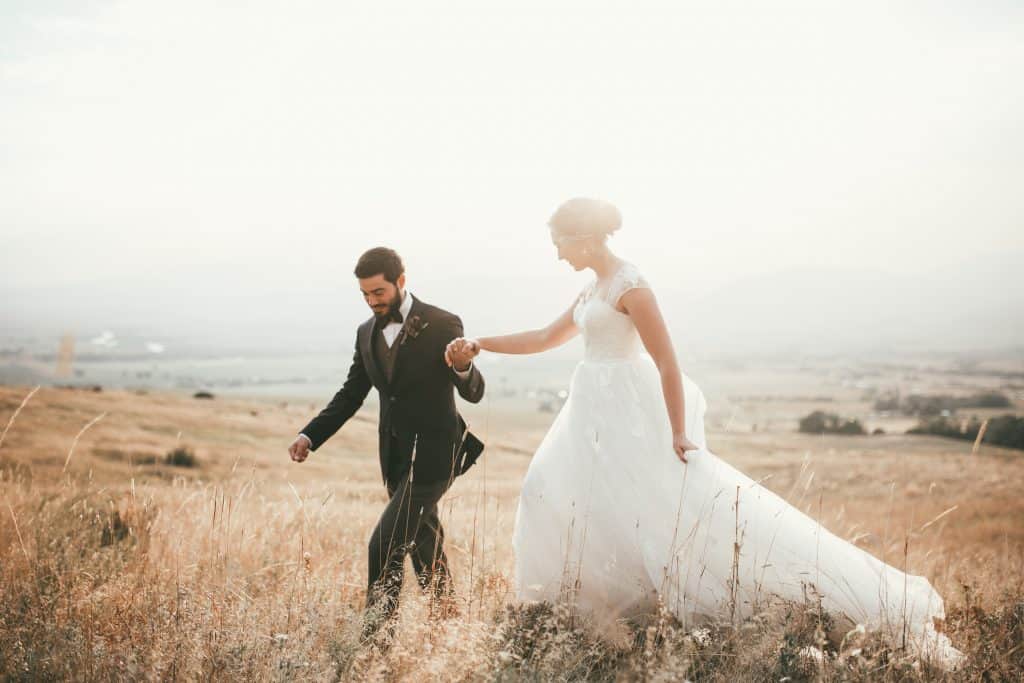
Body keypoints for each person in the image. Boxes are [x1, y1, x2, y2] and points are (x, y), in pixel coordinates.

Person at [444, 197, 962, 668]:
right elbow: (543, 337)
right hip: (590, 416)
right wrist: (479, 343)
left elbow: (667, 361)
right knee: (549, 492)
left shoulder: (631, 286)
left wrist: (678, 432)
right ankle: (590, 614)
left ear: (583, 238)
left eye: (558, 243)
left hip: (632, 413)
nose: (557, 254)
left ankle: (738, 606)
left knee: (664, 512)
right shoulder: (591, 288)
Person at [290, 246, 485, 642]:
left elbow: (474, 392)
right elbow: (350, 395)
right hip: (394, 458)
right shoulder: (365, 333)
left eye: (378, 292)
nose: (371, 301)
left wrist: (463, 366)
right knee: (425, 543)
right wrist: (310, 434)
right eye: (364, 294)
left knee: (384, 544)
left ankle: (376, 644)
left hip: (436, 455)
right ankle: (450, 628)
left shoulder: (443, 322)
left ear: (400, 281)